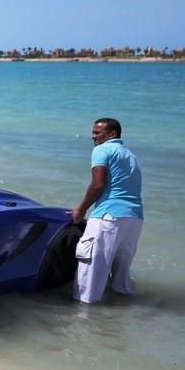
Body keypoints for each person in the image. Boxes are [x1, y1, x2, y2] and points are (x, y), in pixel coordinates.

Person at [70, 117, 144, 304]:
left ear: (112, 134)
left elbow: (98, 184)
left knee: (90, 274)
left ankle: (84, 321)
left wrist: (81, 209)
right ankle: (123, 315)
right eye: (93, 132)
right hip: (134, 218)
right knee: (122, 277)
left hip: (108, 216)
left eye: (97, 133)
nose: (93, 137)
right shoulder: (130, 155)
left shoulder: (102, 150)